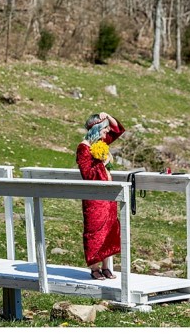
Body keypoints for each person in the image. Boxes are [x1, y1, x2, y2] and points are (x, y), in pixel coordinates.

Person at [76, 111, 126, 279]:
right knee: (95, 231)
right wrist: (101, 163)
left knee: (109, 230)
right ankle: (94, 268)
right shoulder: (84, 148)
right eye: (104, 129)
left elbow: (117, 129)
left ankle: (106, 266)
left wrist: (108, 115)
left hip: (108, 195)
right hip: (94, 197)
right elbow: (87, 174)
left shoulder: (100, 142)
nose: (107, 132)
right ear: (96, 129)